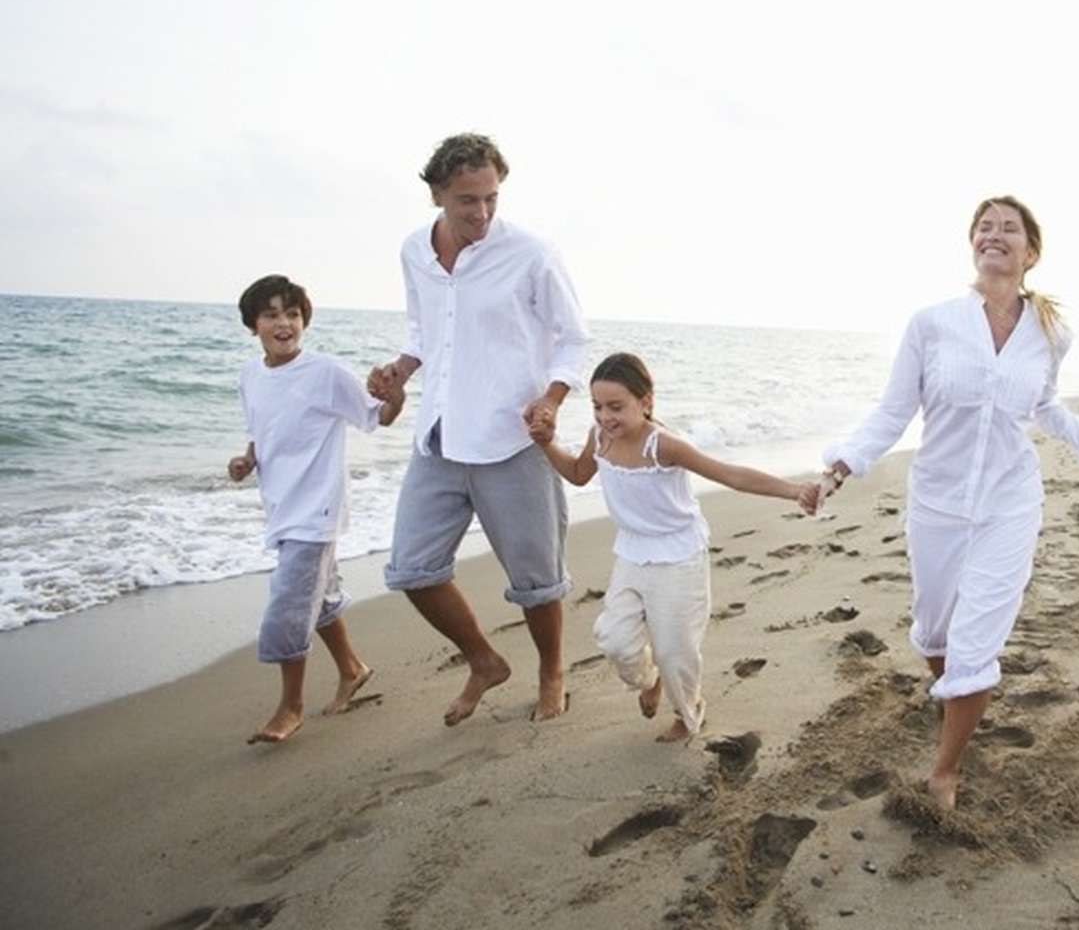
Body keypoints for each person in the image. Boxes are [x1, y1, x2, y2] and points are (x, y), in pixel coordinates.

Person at [819, 195, 1079, 808]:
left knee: (976, 641)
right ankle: (954, 703)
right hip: (936, 501)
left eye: (1009, 228)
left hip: (1009, 502)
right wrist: (841, 466)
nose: (995, 234)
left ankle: (947, 769)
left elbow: (1045, 405)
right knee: (935, 634)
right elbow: (894, 410)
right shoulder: (931, 323)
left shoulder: (1049, 334)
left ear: (1029, 252)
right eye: (985, 227)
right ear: (973, 245)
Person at [368, 134, 589, 726]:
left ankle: (552, 672)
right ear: (437, 193)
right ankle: (484, 660)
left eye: (492, 197)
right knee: (412, 569)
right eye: (468, 200)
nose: (482, 212)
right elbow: (424, 332)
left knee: (538, 582)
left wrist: (552, 396)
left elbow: (573, 339)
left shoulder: (532, 253)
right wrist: (399, 371)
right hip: (439, 437)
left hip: (512, 439)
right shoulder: (415, 251)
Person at [528, 352, 821, 742]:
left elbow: (730, 475)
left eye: (616, 407)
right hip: (632, 553)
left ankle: (688, 714)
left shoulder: (663, 446)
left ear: (646, 402)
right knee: (615, 639)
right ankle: (650, 681)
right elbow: (580, 474)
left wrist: (795, 491)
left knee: (675, 653)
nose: (605, 417)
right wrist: (548, 444)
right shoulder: (599, 437)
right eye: (597, 406)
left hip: (679, 556)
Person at [229, 274, 405, 745]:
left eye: (292, 313)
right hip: (280, 507)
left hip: (317, 511)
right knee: (320, 598)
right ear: (253, 325)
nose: (283, 323)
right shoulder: (251, 376)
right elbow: (262, 431)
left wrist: (396, 398)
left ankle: (291, 707)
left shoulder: (325, 372)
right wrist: (248, 459)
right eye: (271, 314)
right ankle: (352, 668)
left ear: (304, 320)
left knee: (289, 606)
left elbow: (376, 416)